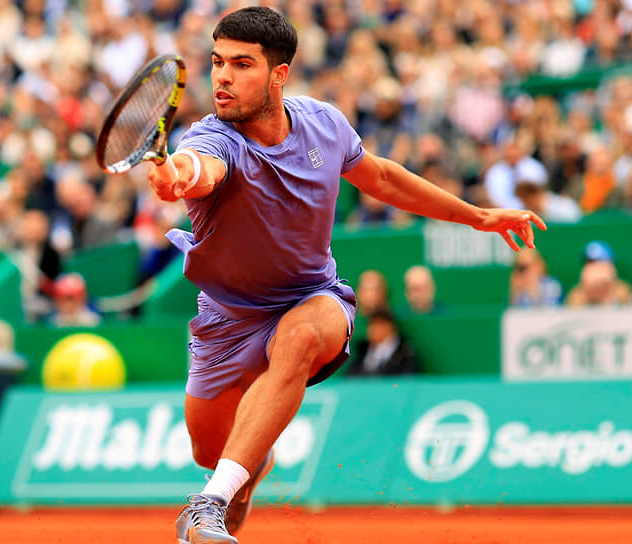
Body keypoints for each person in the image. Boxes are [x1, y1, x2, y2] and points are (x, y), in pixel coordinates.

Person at [145, 8, 545, 543]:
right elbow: (196, 170)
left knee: (301, 339)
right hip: (227, 320)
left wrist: (477, 216)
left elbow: (382, 178)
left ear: (279, 75)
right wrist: (173, 176)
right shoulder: (213, 139)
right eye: (217, 62)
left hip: (312, 297)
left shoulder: (324, 124)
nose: (223, 76)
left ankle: (208, 502)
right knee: (209, 452)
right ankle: (244, 471)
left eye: (241, 64)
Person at [347, 309, 419, 377]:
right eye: (371, 324)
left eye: (377, 324)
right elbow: (350, 376)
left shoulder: (405, 352)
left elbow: (407, 379)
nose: (372, 329)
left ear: (390, 327)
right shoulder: (363, 350)